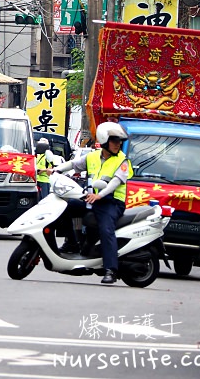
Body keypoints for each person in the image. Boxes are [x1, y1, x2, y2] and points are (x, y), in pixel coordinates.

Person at [49, 121, 133, 285]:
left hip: (112, 202)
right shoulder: (93, 156)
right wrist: (56, 170)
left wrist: (100, 196)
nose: (118, 144)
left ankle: (111, 270)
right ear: (104, 141)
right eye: (114, 141)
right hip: (94, 199)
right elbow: (74, 164)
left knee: (106, 229)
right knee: (66, 207)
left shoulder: (122, 161)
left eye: (119, 141)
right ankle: (72, 243)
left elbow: (115, 183)